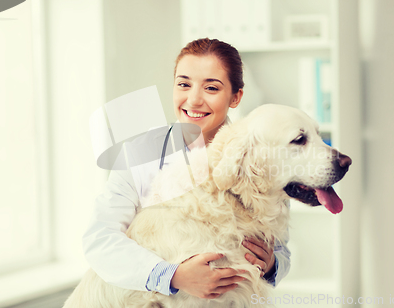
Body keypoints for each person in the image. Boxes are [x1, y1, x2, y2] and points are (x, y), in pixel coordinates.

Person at [82, 38, 291, 300]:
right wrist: (173, 276)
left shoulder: (260, 157)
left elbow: (281, 248)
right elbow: (100, 239)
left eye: (211, 88)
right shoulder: (139, 153)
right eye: (184, 84)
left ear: (235, 97)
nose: (193, 100)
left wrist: (272, 265)